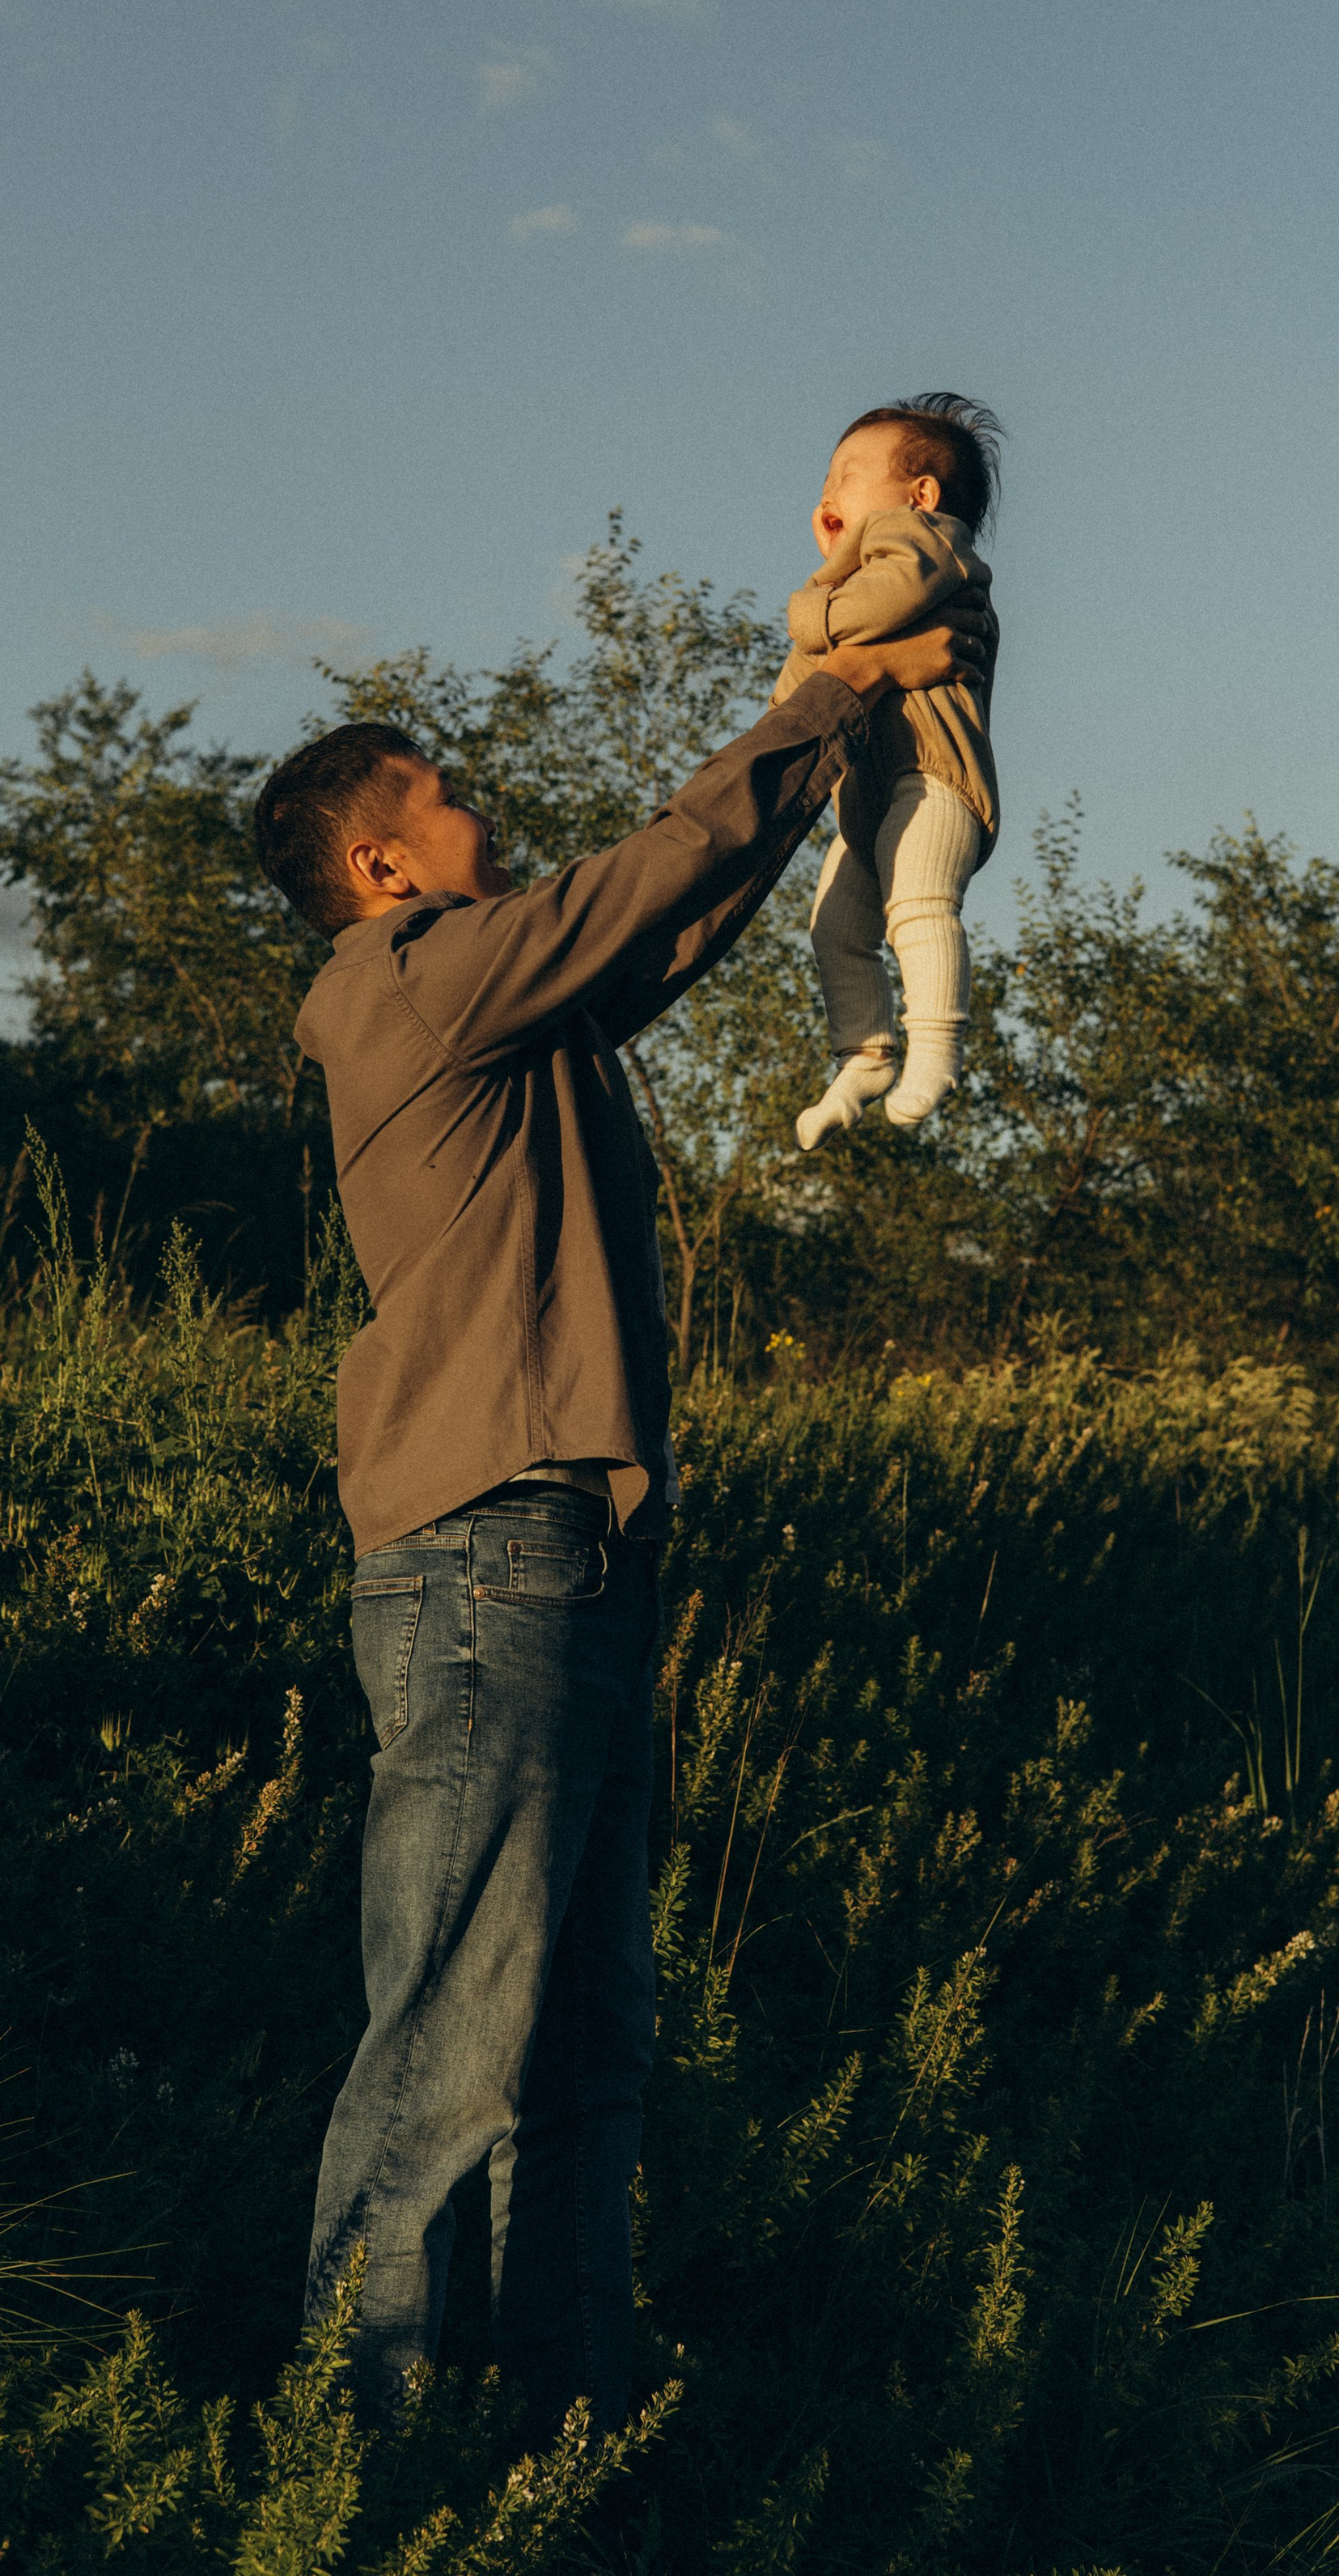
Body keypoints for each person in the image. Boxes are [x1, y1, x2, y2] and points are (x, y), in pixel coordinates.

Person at [251, 594, 991, 2442]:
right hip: (485, 1556)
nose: (480, 814)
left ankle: (555, 2448)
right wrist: (829, 687)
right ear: (377, 854)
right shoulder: (408, 978)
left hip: (560, 1560)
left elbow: (666, 908)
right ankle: (343, 2480)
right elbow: (643, 872)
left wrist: (838, 752)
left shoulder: (507, 1007)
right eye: (447, 796)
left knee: (579, 2060)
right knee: (441, 2053)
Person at [771, 394, 1002, 1149]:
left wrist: (823, 583)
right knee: (834, 928)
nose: (827, 494)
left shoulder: (934, 547)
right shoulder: (859, 579)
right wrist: (832, 578)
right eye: (826, 478)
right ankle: (864, 1054)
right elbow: (797, 699)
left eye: (848, 475)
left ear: (920, 496)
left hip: (932, 778)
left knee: (918, 904)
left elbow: (865, 614)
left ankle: (935, 1050)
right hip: (866, 800)